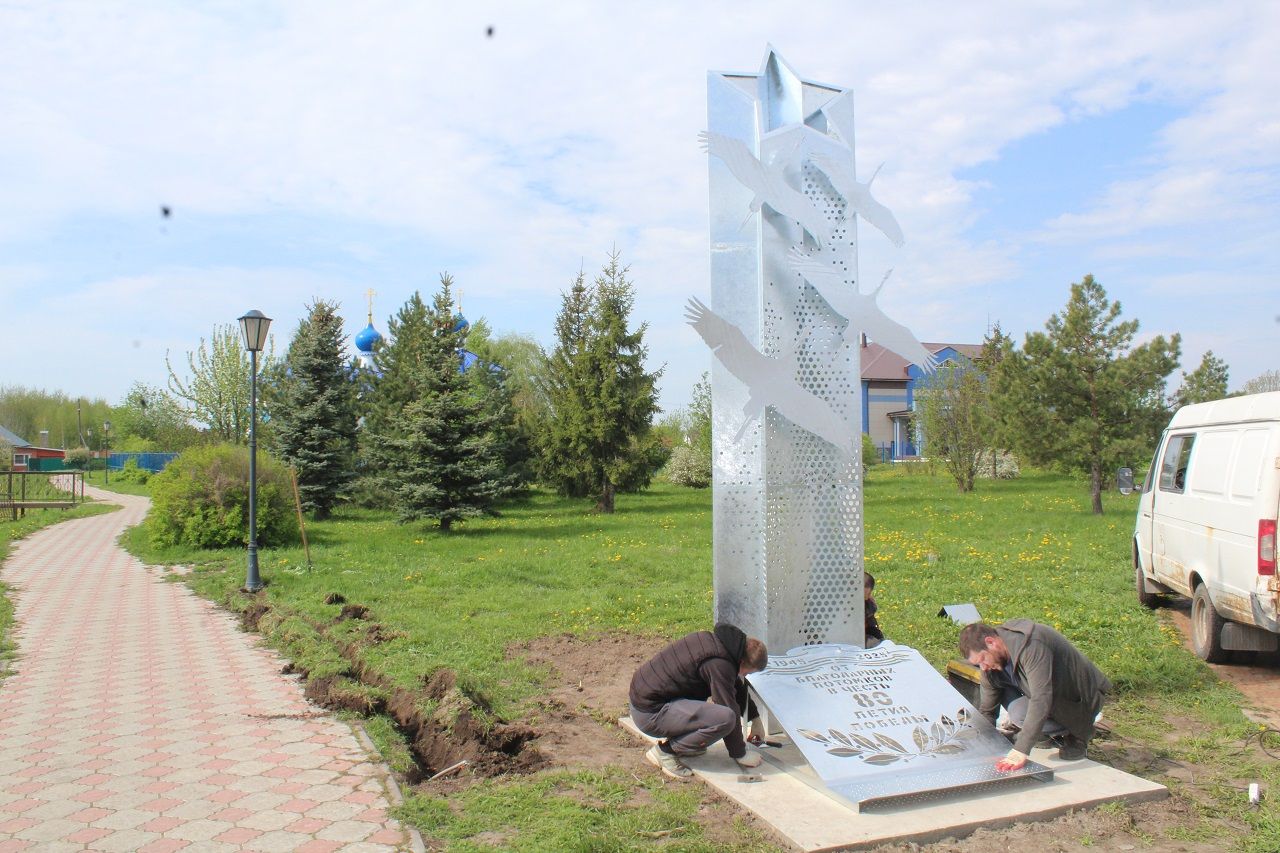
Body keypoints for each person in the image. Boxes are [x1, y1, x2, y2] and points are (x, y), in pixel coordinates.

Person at [958, 619, 1112, 771]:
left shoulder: (1031, 645)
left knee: (1021, 713)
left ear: (991, 642)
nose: (983, 667)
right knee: (1006, 696)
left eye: (983, 659)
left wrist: (1021, 749)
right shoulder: (991, 663)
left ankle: (1078, 733)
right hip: (1045, 695)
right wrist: (980, 744)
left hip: (1081, 698)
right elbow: (987, 710)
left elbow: (1041, 698)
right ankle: (1043, 734)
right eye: (978, 664)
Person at [628, 622, 768, 780]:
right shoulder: (719, 664)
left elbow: (734, 686)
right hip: (650, 714)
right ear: (742, 662)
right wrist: (740, 754)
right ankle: (665, 753)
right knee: (724, 719)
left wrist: (755, 719)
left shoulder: (719, 645)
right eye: (748, 672)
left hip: (646, 701)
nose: (746, 676)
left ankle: (689, 744)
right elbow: (728, 706)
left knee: (716, 715)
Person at [864, 573, 884, 646]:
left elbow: (871, 623)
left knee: (876, 638)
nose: (866, 597)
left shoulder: (869, 603)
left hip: (866, 631)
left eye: (868, 594)